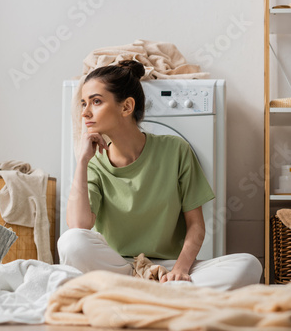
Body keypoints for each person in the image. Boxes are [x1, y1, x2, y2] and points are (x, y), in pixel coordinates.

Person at [58, 60, 262, 290]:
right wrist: (82, 161)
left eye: (96, 101)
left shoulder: (175, 150)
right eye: (84, 103)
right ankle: (159, 292)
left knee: (249, 265)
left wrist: (180, 270)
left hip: (168, 267)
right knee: (70, 241)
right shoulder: (94, 164)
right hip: (118, 266)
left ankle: (141, 290)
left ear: (126, 107)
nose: (85, 112)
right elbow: (78, 225)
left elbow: (196, 226)